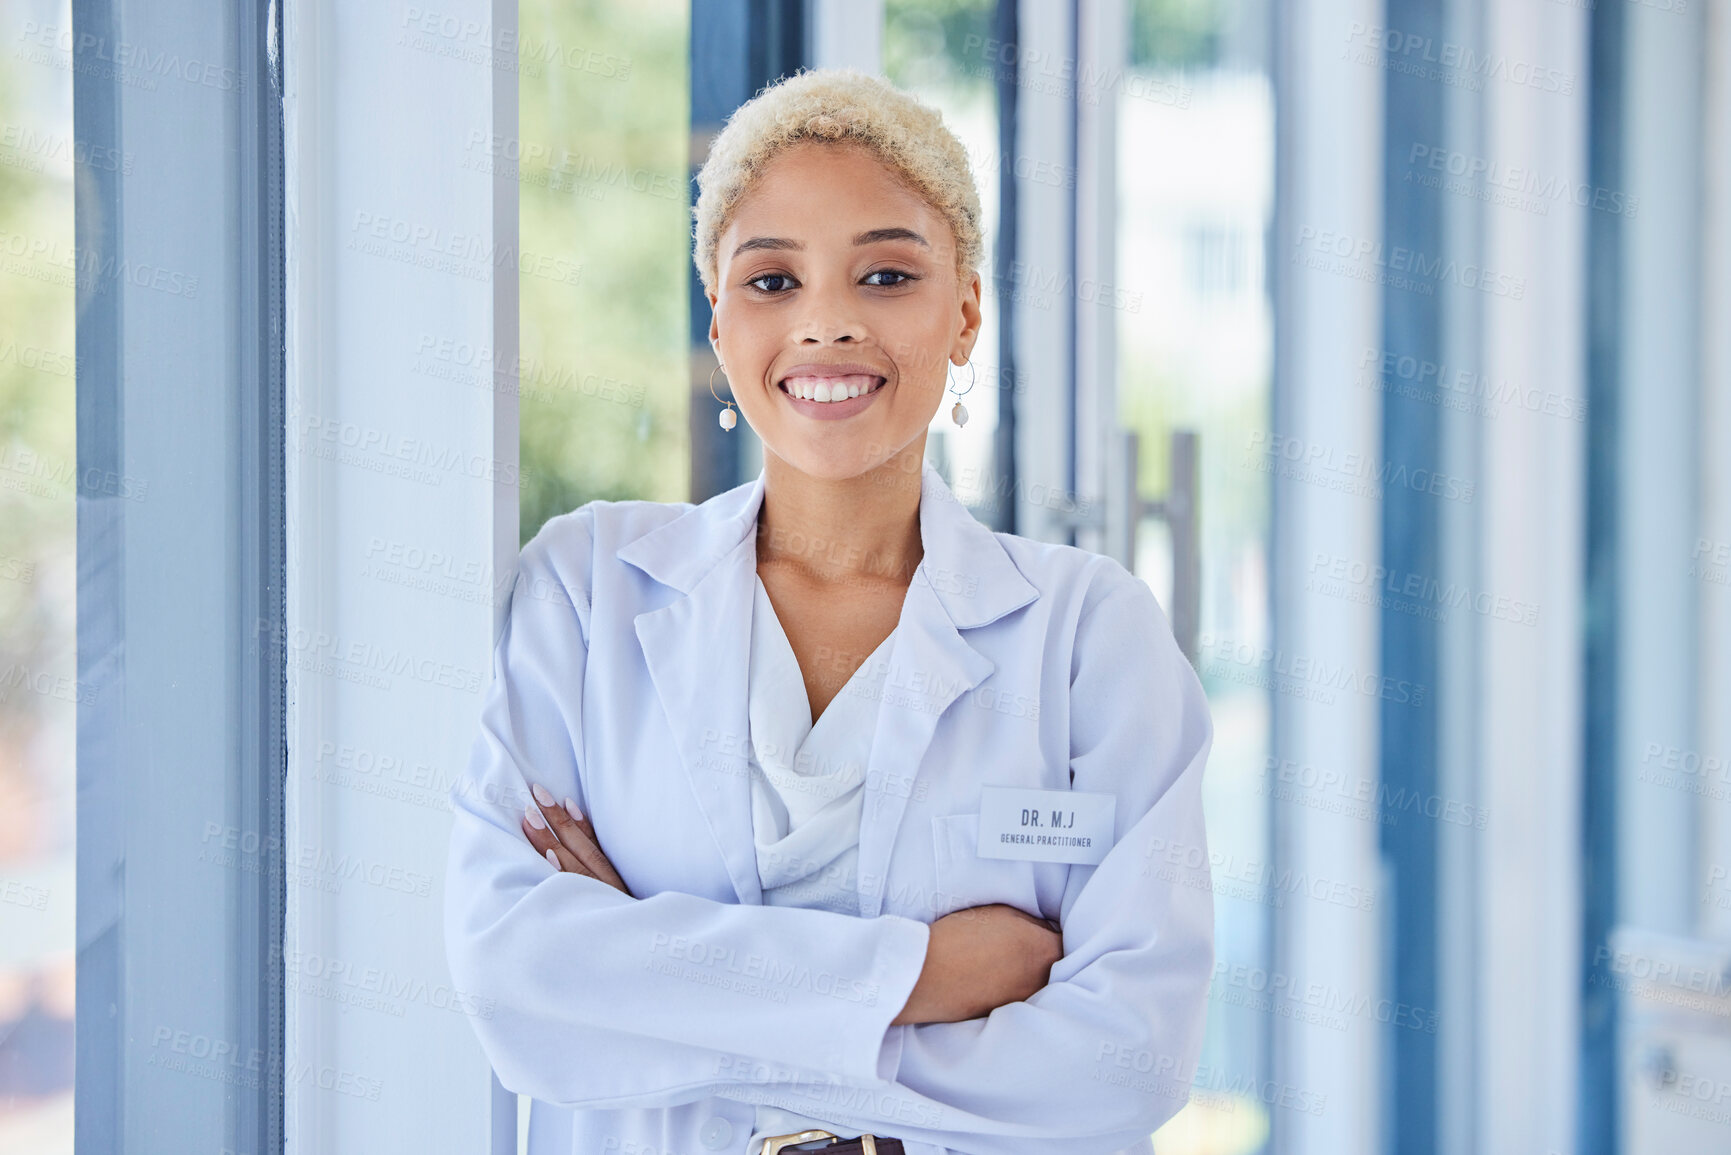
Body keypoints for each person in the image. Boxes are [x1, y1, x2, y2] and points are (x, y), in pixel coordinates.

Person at [444, 66, 1214, 1155]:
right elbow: (516, 974)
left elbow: (1127, 1057)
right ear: (718, 322)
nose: (827, 325)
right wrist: (925, 976)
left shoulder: (1090, 638)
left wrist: (655, 989)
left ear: (965, 313)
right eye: (772, 283)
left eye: (887, 275)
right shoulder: (585, 590)